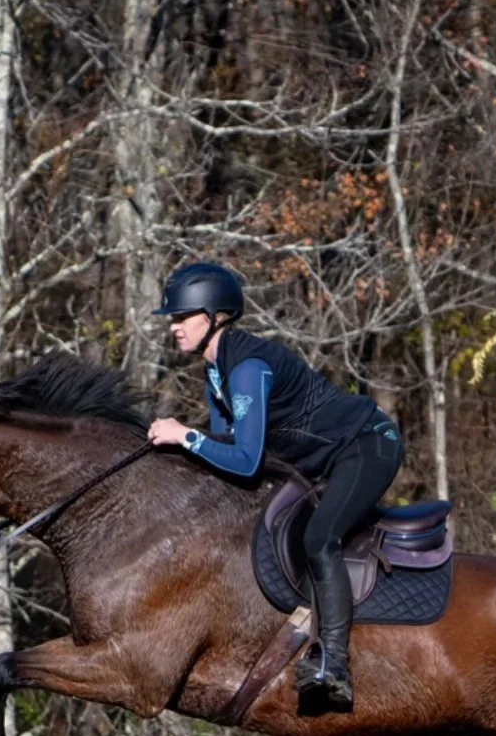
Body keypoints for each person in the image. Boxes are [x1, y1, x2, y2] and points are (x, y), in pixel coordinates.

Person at [147, 261, 404, 710]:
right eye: (173, 319)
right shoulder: (214, 374)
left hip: (368, 444)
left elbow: (245, 461)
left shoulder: (246, 368)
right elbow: (225, 447)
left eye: (182, 317)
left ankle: (333, 666)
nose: (174, 327)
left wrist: (184, 435)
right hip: (326, 459)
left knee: (320, 537)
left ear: (215, 317)